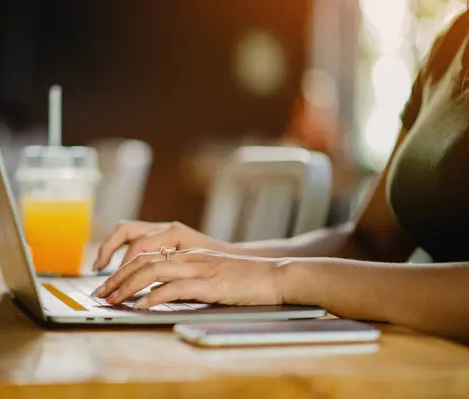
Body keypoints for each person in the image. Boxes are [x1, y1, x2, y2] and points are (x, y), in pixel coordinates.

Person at [90, 9, 469, 342]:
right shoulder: (452, 43)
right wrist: (218, 258)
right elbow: (369, 243)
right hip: (419, 354)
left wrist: (283, 278)